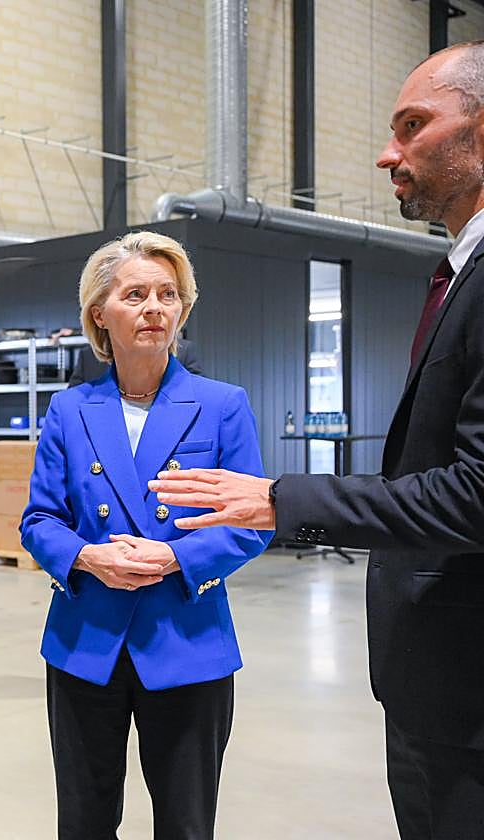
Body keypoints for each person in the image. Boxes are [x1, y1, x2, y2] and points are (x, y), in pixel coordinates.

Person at [149, 41, 484, 840]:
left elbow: (475, 492)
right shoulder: (457, 275)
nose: (388, 154)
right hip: (435, 680)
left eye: (413, 125)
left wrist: (279, 499)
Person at [20, 231, 271, 839]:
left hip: (186, 639)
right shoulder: (69, 410)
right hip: (87, 643)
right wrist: (88, 555)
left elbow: (249, 523)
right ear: (99, 314)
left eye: (168, 294)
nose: (154, 307)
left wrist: (173, 556)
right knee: (84, 821)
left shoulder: (222, 405)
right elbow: (39, 521)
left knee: (186, 823)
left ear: (182, 309)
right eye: (135, 295)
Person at [69, 335, 203, 387]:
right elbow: (73, 404)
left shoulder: (184, 349)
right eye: (135, 295)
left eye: (168, 294)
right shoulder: (88, 356)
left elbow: (197, 394)